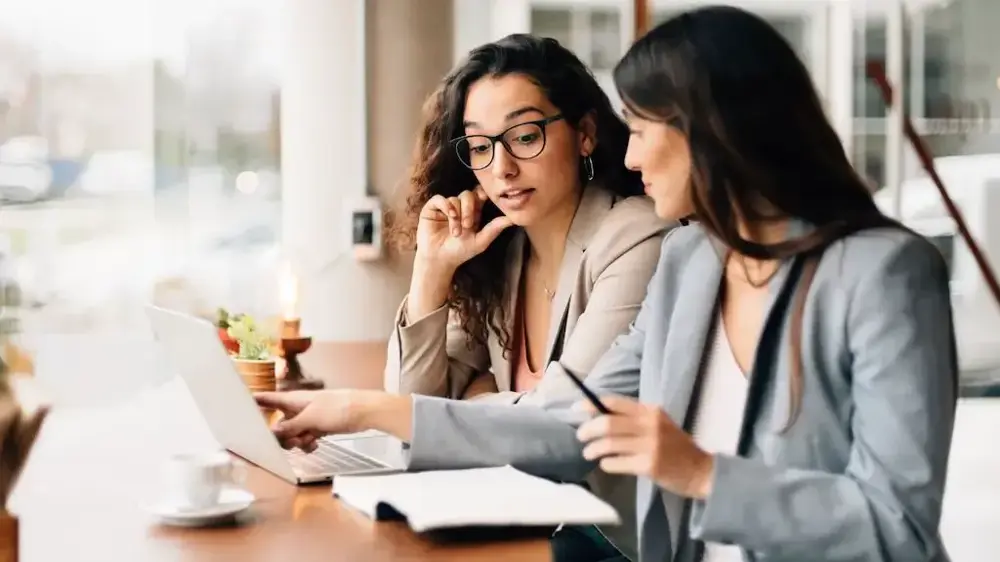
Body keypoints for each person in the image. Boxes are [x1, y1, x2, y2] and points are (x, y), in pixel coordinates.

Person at [257, 7, 958, 561]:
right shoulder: (693, 261)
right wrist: (363, 410)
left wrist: (702, 473)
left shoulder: (884, 273)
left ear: (712, 131)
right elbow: (569, 421)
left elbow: (898, 526)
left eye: (644, 127)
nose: (631, 152)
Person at [381, 34, 672, 561]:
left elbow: (561, 430)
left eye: (524, 135)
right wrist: (431, 271)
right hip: (517, 520)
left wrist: (473, 401)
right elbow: (413, 412)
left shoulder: (634, 236)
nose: (502, 168)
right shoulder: (500, 247)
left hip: (610, 539)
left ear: (584, 133)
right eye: (480, 145)